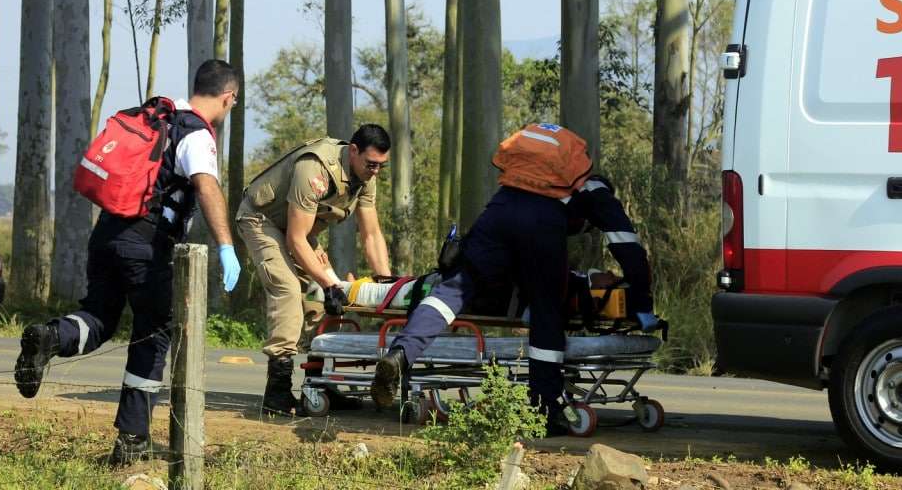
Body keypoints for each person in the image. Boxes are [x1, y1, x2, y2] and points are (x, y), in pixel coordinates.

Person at [13, 59, 242, 465]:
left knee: (97, 318)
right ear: (228, 97)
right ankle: (131, 440)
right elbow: (206, 186)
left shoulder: (159, 114)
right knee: (153, 334)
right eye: (233, 104)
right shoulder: (195, 135)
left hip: (106, 232)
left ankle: (50, 336)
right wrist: (226, 245)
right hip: (147, 242)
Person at [370, 127, 656, 436]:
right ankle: (546, 409)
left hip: (498, 212)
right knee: (548, 310)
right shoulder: (597, 194)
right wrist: (642, 306)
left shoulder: (531, 175)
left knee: (453, 291)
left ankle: (401, 354)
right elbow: (630, 250)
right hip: (541, 224)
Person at [236, 123, 393, 416]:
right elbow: (295, 239)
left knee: (324, 303)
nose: (376, 172)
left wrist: (386, 285)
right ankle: (277, 394)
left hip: (300, 230)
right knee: (287, 289)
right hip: (263, 221)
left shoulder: (366, 176)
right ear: (354, 151)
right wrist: (330, 283)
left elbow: (371, 234)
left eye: (381, 166)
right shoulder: (316, 168)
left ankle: (322, 383)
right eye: (372, 164)